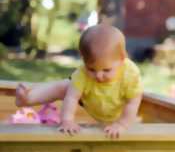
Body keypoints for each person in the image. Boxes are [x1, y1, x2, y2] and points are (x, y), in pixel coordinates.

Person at [15, 23, 143, 139]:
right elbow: (71, 98)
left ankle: (123, 123)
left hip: (118, 111)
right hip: (92, 99)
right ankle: (28, 98)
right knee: (65, 86)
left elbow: (132, 103)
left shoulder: (130, 74)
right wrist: (67, 120)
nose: (98, 75)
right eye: (91, 69)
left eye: (106, 70)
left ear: (121, 59)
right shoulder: (82, 73)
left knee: (132, 116)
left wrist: (122, 124)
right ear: (83, 60)